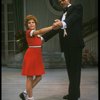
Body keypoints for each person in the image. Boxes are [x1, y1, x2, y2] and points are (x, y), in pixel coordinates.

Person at [42, 0, 85, 100]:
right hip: (67, 45)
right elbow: (55, 29)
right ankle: (74, 93)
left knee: (75, 70)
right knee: (70, 70)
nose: (61, 2)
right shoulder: (63, 14)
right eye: (59, 1)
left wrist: (62, 23)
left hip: (75, 44)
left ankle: (73, 95)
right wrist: (43, 39)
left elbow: (72, 20)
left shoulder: (77, 7)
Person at [19, 15, 55, 100]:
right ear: (27, 25)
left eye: (33, 22)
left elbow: (45, 37)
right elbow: (40, 31)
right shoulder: (29, 32)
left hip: (37, 58)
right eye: (29, 23)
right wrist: (52, 26)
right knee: (29, 78)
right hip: (30, 56)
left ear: (35, 23)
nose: (31, 24)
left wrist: (56, 28)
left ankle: (25, 93)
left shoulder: (38, 36)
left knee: (39, 77)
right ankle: (30, 98)